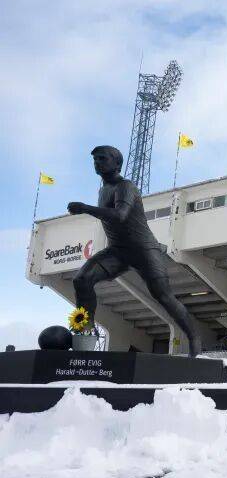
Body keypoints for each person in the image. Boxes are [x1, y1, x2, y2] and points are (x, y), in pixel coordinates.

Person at [68, 146, 201, 355]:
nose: (97, 163)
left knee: (164, 296)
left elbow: (120, 215)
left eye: (102, 159)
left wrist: (85, 208)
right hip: (118, 251)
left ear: (117, 164)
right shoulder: (103, 190)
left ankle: (194, 339)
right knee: (82, 280)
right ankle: (85, 333)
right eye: (95, 159)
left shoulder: (125, 186)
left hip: (144, 250)